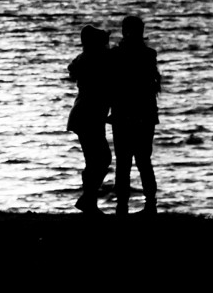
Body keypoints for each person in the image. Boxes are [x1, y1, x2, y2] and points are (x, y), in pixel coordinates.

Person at [109, 15, 161, 216]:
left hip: (124, 113)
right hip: (144, 113)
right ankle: (148, 205)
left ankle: (123, 207)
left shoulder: (116, 55)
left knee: (125, 162)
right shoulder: (148, 55)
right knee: (141, 160)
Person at [66, 25, 113, 214]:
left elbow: (73, 68)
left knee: (95, 160)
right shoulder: (96, 59)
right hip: (88, 115)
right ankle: (88, 200)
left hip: (86, 114)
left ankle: (89, 201)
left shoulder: (86, 59)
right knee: (101, 159)